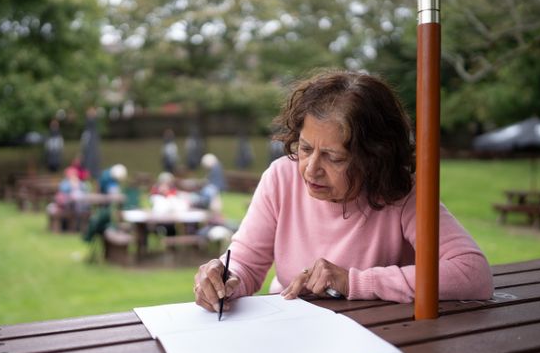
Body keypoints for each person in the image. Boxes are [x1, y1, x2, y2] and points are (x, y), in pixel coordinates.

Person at [193, 70, 494, 314]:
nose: (311, 170)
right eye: (306, 148)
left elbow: (473, 273)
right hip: (287, 328)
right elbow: (245, 263)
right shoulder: (281, 177)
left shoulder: (401, 192)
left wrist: (353, 282)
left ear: (374, 158)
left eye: (333, 157)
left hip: (379, 337)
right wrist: (224, 277)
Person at [80, 107, 101, 180]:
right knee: (89, 157)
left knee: (92, 157)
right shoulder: (88, 127)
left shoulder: (92, 126)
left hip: (92, 142)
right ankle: (88, 173)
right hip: (90, 142)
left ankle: (91, 173)